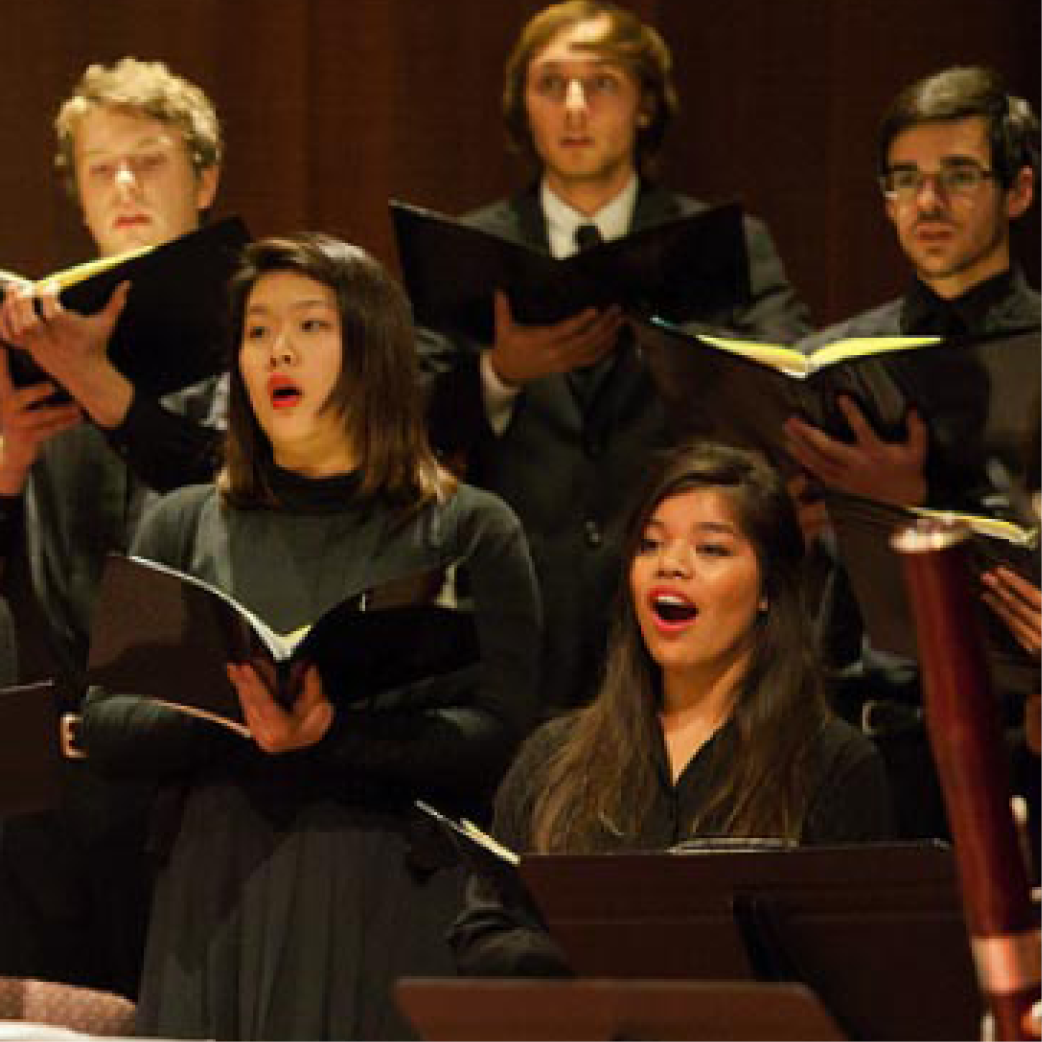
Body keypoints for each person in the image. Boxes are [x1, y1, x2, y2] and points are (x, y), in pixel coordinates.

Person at [78, 233, 542, 1040]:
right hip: (213, 889)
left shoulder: (468, 527)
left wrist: (335, 734)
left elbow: (504, 737)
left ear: (375, 349)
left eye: (309, 326)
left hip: (388, 885)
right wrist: (231, 714)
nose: (276, 352)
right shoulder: (183, 522)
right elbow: (107, 724)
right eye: (256, 332)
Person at [419, 0, 810, 714]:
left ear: (644, 105)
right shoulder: (469, 250)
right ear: (522, 107)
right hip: (520, 613)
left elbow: (790, 386)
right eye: (550, 85)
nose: (574, 107)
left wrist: (690, 369)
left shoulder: (723, 242)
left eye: (600, 84)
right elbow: (409, 415)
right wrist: (501, 373)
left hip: (682, 617)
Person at [448, 440, 893, 976]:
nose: (671, 566)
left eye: (711, 550)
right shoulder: (553, 757)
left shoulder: (831, 765)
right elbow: (484, 934)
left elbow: (856, 972)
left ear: (768, 590)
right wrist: (601, 957)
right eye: (650, 545)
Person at [0, 58, 226, 995]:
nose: (126, 186)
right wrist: (6, 459)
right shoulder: (26, 332)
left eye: (151, 161)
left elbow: (243, 506)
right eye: (102, 169)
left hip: (198, 767)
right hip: (47, 779)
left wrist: (105, 391)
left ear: (205, 180)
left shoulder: (258, 323)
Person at [780, 66, 1040, 840]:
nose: (928, 202)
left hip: (1017, 741)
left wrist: (905, 507)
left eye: (958, 176)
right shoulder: (832, 358)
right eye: (906, 180)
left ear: (1019, 190)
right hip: (861, 744)